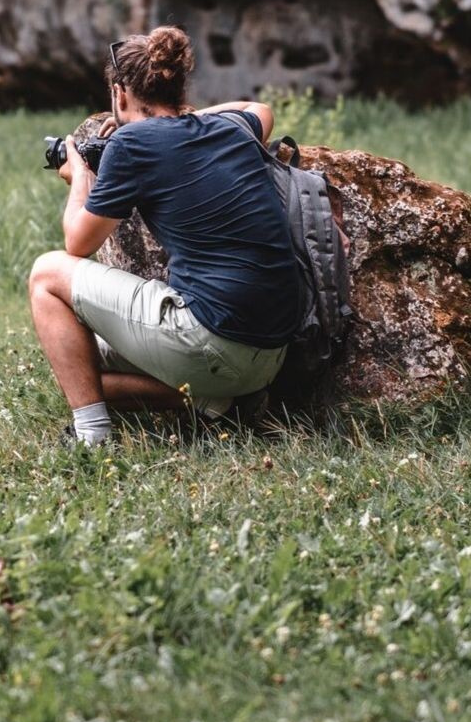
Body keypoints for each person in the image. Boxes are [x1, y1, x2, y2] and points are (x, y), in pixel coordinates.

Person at [28, 26, 303, 445]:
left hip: (212, 339)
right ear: (177, 87)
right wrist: (183, 116)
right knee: (79, 363)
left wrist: (80, 174)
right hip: (272, 355)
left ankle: (92, 435)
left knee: (46, 274)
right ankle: (213, 402)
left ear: (120, 94)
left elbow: (77, 244)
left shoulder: (133, 143)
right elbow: (260, 108)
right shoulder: (233, 130)